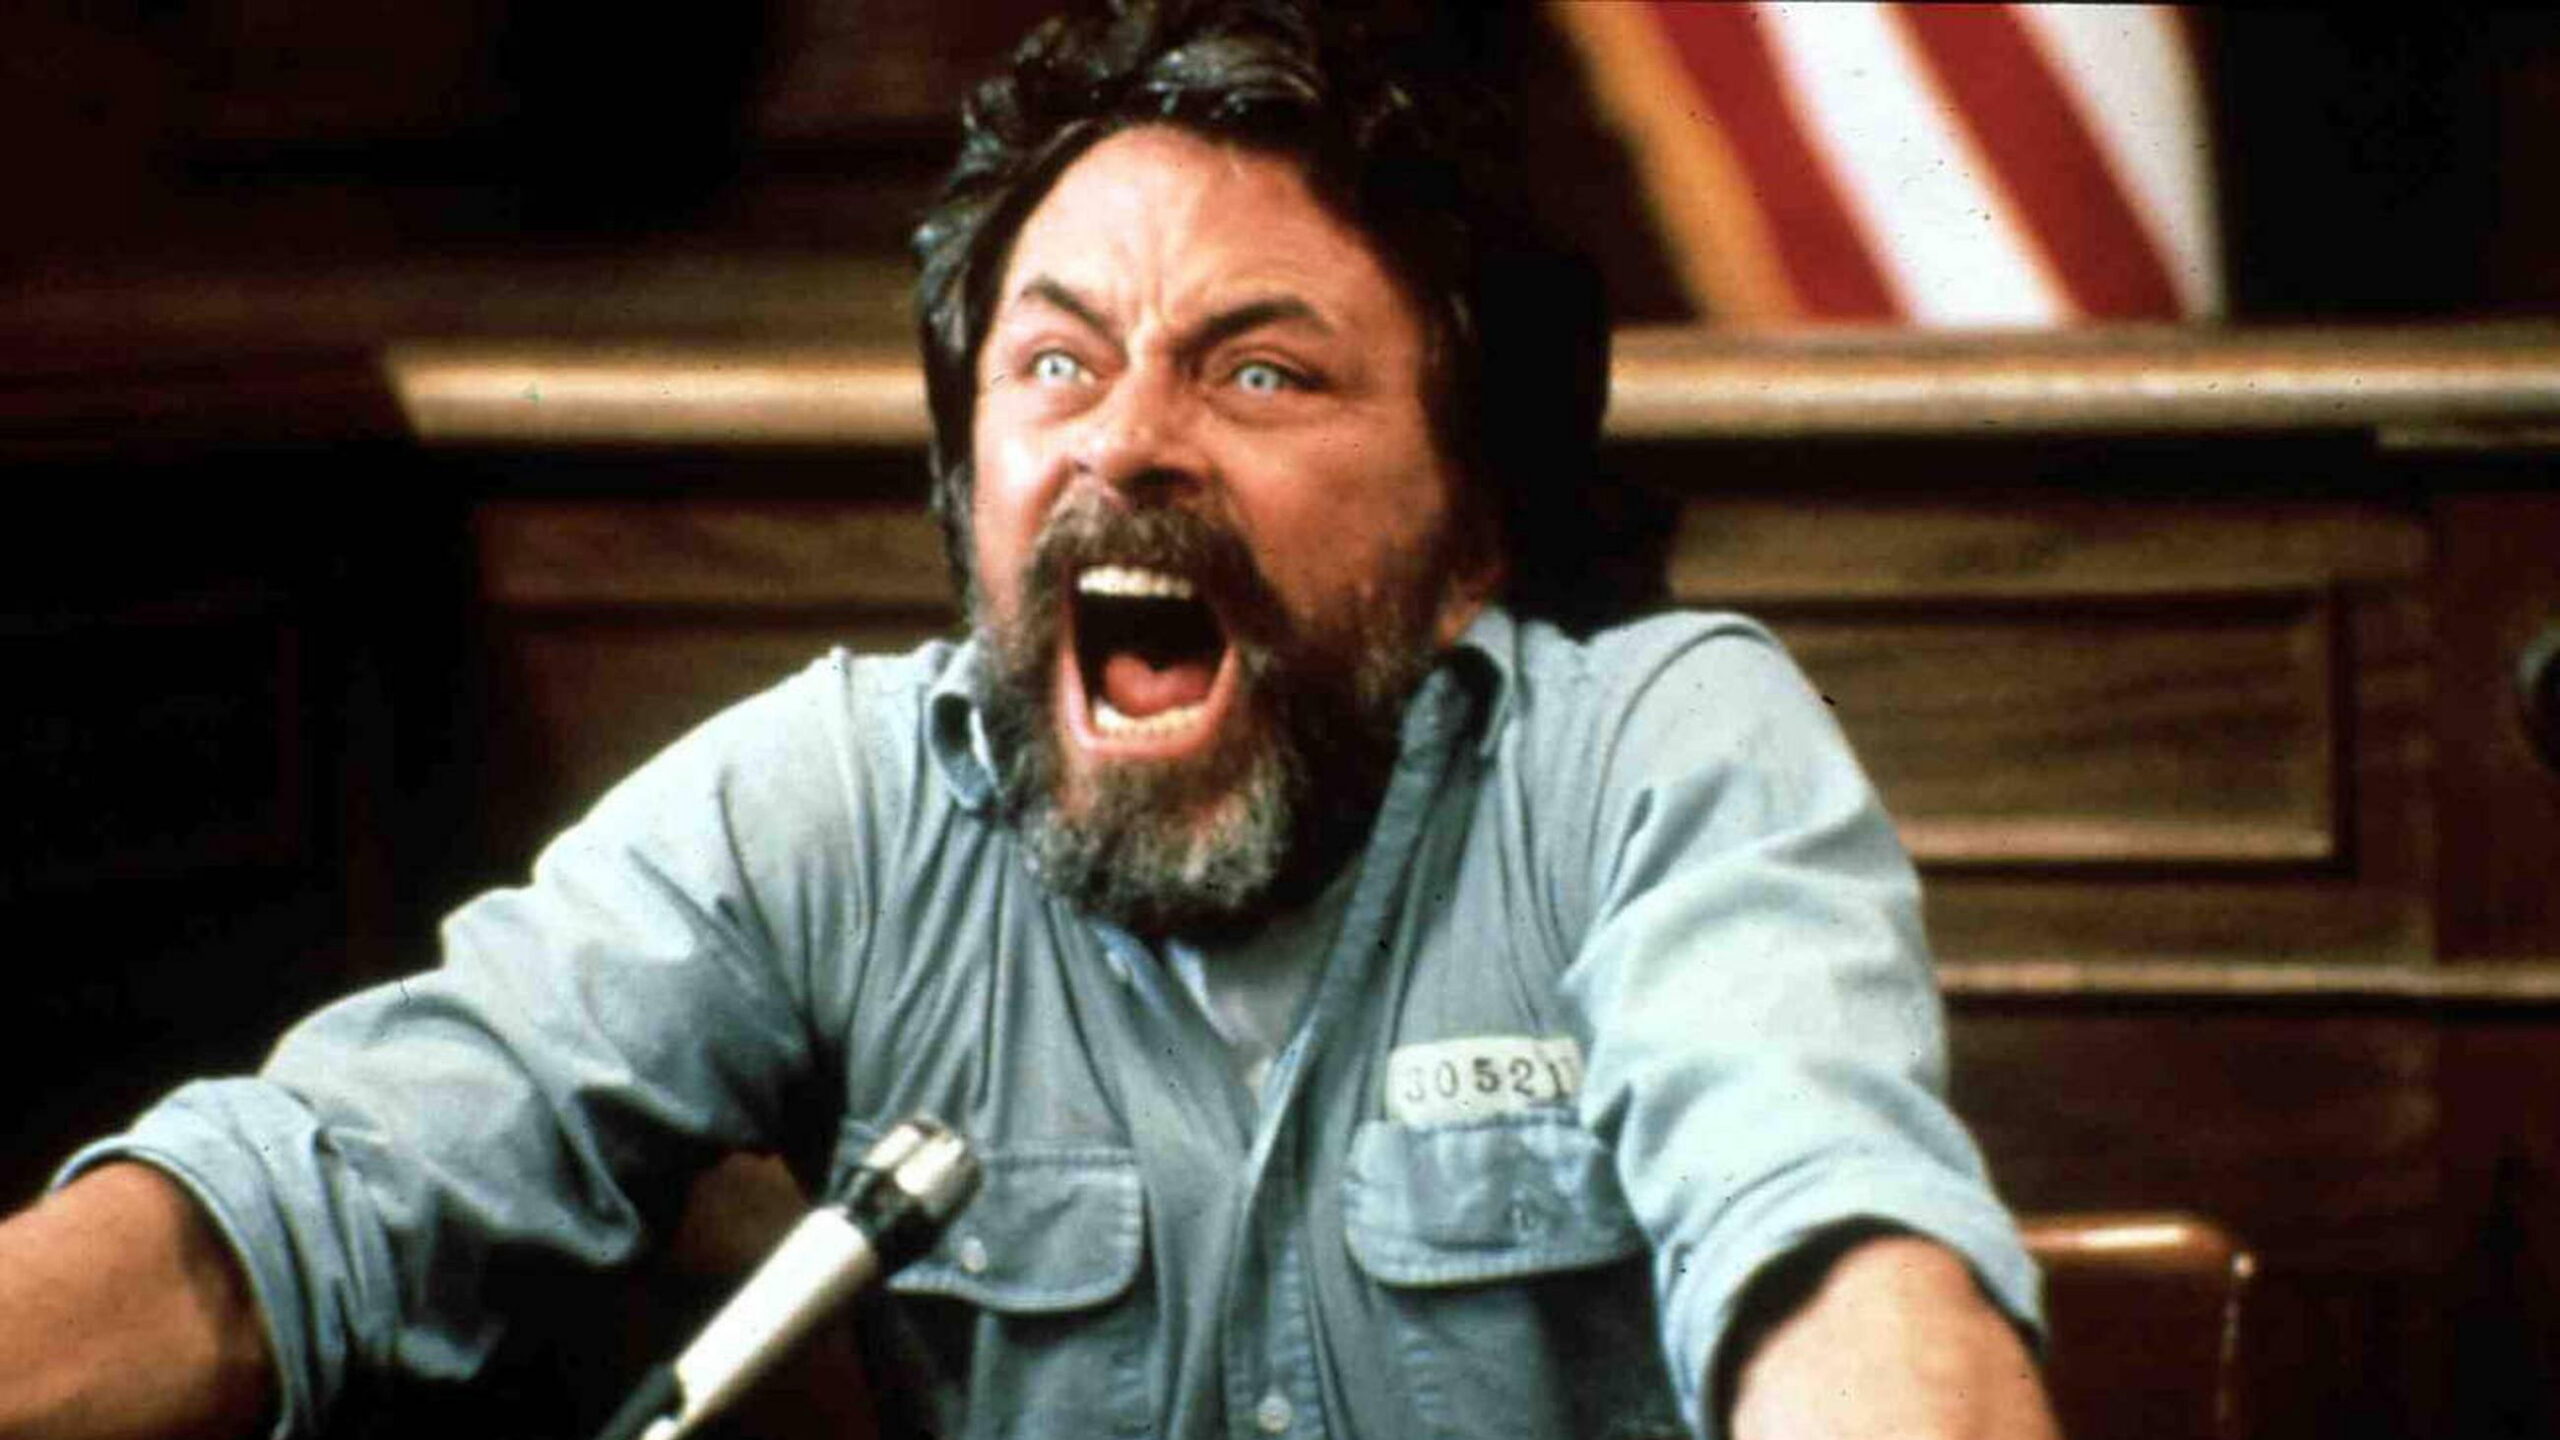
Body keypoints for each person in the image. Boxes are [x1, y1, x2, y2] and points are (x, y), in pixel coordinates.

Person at [0, 3, 2059, 1437]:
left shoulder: (1651, 759)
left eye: (1260, 375)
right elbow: (313, 1198)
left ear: (1470, 536)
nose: (1126, 443)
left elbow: (1835, 1253)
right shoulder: (835, 806)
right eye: (1055, 369)